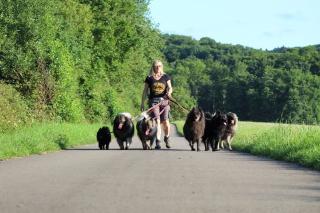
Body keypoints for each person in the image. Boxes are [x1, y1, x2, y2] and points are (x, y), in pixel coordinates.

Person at [141, 60, 173, 149]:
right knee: (157, 121)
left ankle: (167, 138)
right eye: (156, 66)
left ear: (162, 67)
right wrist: (142, 103)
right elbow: (145, 92)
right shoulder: (149, 78)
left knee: (165, 122)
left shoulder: (166, 76)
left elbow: (170, 87)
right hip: (153, 102)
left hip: (165, 102)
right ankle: (158, 142)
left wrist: (169, 92)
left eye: (159, 66)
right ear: (153, 67)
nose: (158, 68)